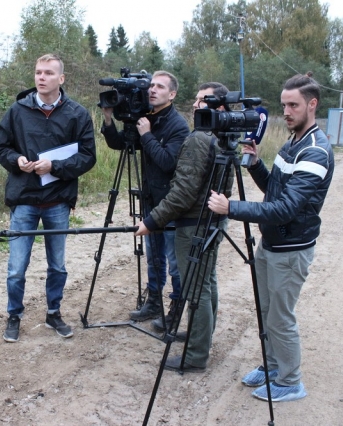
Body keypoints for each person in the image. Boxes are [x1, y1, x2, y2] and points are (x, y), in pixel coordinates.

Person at [208, 73, 335, 402]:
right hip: (272, 244)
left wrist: (230, 206)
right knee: (268, 312)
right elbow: (274, 191)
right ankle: (273, 366)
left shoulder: (316, 151)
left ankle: (291, 381)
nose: (287, 112)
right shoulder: (292, 141)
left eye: (293, 105)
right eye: (283, 105)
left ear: (312, 104)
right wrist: (254, 164)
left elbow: (285, 209)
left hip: (291, 249)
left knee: (280, 317)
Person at [0, 54, 96, 343]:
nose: (41, 77)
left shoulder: (77, 114)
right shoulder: (17, 111)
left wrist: (56, 167)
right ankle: (14, 316)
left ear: (61, 79)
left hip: (57, 201)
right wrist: (17, 160)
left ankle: (53, 313)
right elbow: (1, 147)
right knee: (16, 267)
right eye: (38, 72)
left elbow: (88, 157)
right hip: (24, 198)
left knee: (58, 265)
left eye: (49, 73)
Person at [135, 82, 233, 373]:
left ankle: (195, 355)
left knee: (196, 289)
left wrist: (152, 221)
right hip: (212, 219)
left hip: (194, 224)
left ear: (221, 107)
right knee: (207, 283)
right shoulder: (223, 137)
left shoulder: (199, 139)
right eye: (196, 98)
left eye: (204, 100)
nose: (195, 105)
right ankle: (199, 338)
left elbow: (182, 192)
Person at [101, 71, 189, 324]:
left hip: (172, 204)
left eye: (160, 87)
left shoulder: (177, 125)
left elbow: (167, 162)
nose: (152, 90)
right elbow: (122, 144)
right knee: (154, 256)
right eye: (151, 85)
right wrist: (108, 121)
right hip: (150, 200)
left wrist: (147, 135)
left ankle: (175, 310)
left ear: (171, 94)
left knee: (174, 261)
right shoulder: (146, 118)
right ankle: (153, 303)